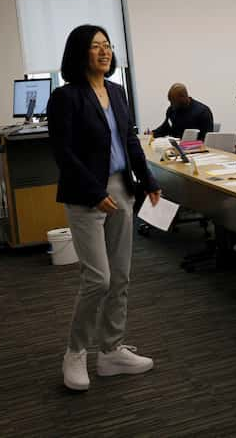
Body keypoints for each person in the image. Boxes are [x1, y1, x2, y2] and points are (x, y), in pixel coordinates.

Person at [47, 24, 161, 392]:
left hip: (121, 189)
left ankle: (111, 351)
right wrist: (95, 192)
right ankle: (75, 352)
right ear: (80, 52)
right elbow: (64, 153)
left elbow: (129, 140)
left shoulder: (117, 91)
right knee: (99, 278)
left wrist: (150, 180)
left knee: (122, 276)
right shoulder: (65, 97)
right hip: (86, 194)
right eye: (95, 46)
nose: (104, 51)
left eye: (107, 46)